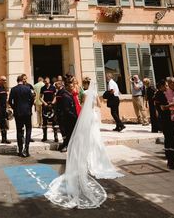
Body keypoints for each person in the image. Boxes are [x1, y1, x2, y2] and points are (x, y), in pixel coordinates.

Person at [46, 81, 122, 209]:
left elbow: (82, 106)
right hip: (93, 116)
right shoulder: (88, 94)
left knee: (86, 139)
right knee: (93, 139)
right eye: (74, 85)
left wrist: (79, 115)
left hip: (86, 117)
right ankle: (90, 160)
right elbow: (98, 105)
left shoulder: (84, 94)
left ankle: (84, 160)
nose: (76, 87)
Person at [154, 80, 174, 169]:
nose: (166, 87)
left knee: (169, 139)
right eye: (165, 85)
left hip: (166, 119)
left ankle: (171, 159)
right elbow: (163, 107)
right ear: (161, 86)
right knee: (170, 138)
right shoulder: (160, 94)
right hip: (166, 120)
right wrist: (173, 104)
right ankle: (172, 161)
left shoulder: (159, 94)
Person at [9, 74, 35, 157]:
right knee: (28, 129)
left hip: (18, 112)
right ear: (22, 80)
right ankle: (26, 149)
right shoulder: (28, 89)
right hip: (27, 112)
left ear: (17, 81)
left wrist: (14, 108)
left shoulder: (13, 89)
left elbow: (10, 101)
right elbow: (32, 99)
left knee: (19, 131)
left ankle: (20, 150)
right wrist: (29, 107)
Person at [56, 77, 79, 152]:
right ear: (67, 87)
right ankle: (67, 146)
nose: (72, 88)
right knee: (68, 134)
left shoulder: (70, 94)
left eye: (73, 86)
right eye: (71, 87)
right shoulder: (65, 96)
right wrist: (75, 116)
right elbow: (67, 109)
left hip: (71, 118)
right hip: (68, 119)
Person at [41, 77, 59, 143]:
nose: (46, 82)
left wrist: (52, 103)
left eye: (47, 81)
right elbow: (41, 97)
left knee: (54, 121)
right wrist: (44, 103)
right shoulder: (42, 88)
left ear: (49, 81)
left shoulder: (53, 88)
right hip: (45, 105)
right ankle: (44, 136)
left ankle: (56, 136)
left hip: (52, 105)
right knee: (44, 121)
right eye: (45, 81)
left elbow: (55, 97)